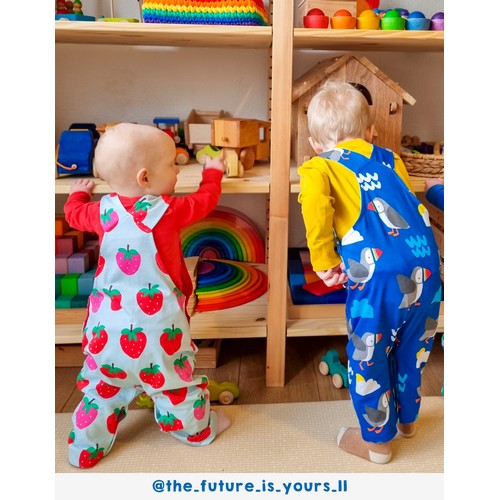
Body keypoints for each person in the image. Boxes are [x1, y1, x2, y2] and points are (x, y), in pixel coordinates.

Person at [64, 122, 230, 468]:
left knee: (101, 391)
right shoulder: (166, 211)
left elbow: (73, 214)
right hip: (158, 333)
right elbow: (205, 201)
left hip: (106, 333)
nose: (177, 171)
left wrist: (78, 193)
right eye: (171, 165)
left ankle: (84, 449)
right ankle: (195, 430)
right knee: (173, 384)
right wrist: (213, 173)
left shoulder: (102, 212)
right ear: (145, 178)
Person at [298, 81, 442, 464]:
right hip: (427, 266)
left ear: (315, 143)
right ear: (370, 132)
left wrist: (323, 260)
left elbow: (314, 205)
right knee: (412, 348)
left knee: (369, 356)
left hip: (378, 278)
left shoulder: (318, 166)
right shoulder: (391, 159)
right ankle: (407, 421)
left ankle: (376, 443)